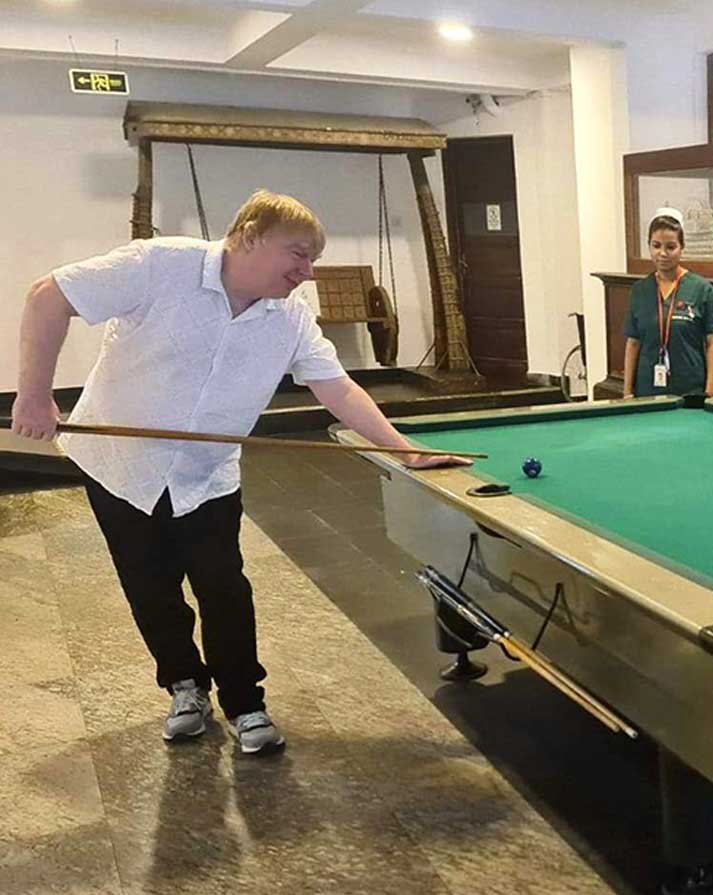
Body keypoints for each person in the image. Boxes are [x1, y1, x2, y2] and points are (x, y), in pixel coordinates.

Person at [10, 190, 467, 753]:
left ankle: (246, 703)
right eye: (298, 254)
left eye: (313, 260)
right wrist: (34, 395)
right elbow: (48, 297)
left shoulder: (290, 317)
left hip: (206, 475)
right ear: (250, 236)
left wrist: (403, 451)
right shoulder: (160, 264)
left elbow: (338, 388)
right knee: (150, 586)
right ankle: (184, 686)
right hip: (118, 466)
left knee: (223, 585)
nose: (307, 271)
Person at [622, 208, 713, 398]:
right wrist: (627, 391)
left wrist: (710, 392)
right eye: (656, 246)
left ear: (681, 247)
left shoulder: (701, 289)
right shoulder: (639, 290)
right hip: (647, 392)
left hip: (690, 392)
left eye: (670, 247)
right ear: (649, 246)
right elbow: (633, 343)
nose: (662, 253)